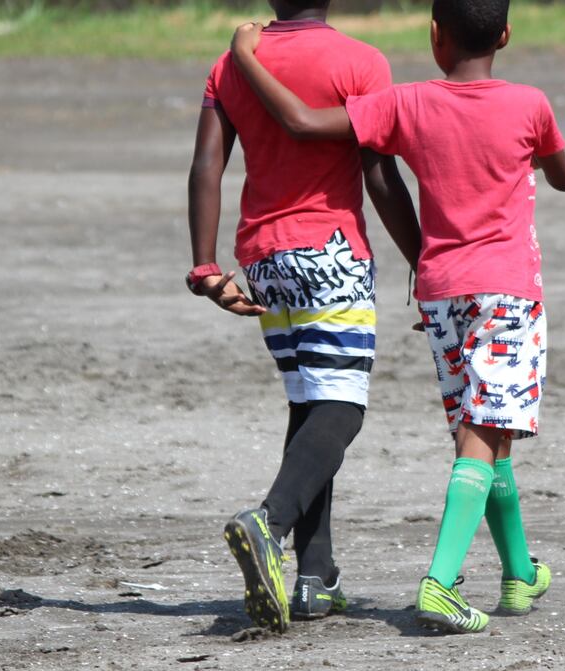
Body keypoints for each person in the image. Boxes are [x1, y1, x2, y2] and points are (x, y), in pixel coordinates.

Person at [228, 0, 565, 634]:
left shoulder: (409, 102)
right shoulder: (531, 104)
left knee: (483, 433)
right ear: (506, 34)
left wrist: (247, 55)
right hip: (507, 291)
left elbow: (304, 121)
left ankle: (520, 571)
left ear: (436, 37)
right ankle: (440, 583)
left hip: (441, 290)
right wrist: (541, 155)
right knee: (483, 434)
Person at [186, 0, 422, 634]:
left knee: (310, 403)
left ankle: (317, 578)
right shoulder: (360, 62)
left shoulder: (235, 62)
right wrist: (425, 261)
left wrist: (205, 268)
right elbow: (379, 176)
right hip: (329, 253)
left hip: (262, 259)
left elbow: (208, 165)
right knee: (343, 407)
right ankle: (269, 521)